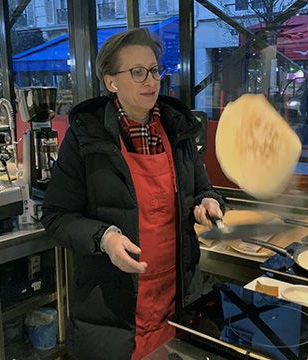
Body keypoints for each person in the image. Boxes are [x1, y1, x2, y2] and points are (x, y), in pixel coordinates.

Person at [41, 28, 225, 359]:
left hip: (176, 303)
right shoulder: (86, 137)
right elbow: (56, 216)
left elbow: (203, 189)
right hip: (113, 314)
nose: (150, 81)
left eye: (154, 70)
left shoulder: (177, 129)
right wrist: (104, 238)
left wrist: (207, 203)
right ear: (111, 82)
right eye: (137, 72)